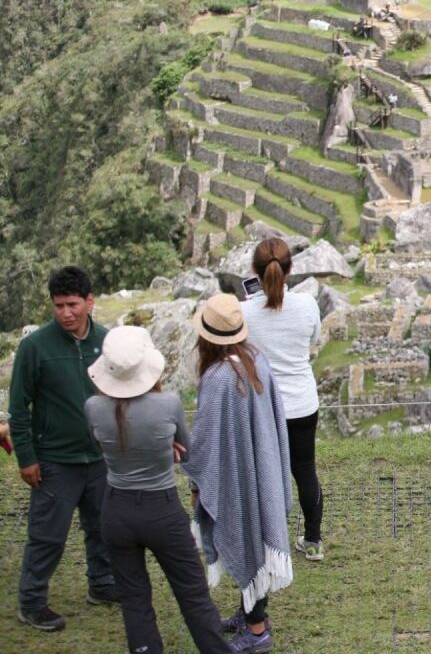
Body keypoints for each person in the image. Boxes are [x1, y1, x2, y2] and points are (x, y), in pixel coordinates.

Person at [85, 325, 229, 654]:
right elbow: (188, 453)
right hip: (162, 511)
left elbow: (104, 445)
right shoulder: (168, 404)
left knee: (134, 600)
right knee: (193, 594)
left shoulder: (93, 407)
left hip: (116, 510)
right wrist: (167, 450)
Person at [9, 266, 117, 631]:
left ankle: (102, 586)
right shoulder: (34, 346)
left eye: (72, 304)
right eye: (58, 306)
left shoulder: (107, 342)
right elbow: (18, 408)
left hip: (100, 459)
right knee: (47, 536)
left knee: (102, 528)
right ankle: (31, 602)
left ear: (89, 302)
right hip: (55, 461)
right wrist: (27, 458)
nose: (65, 313)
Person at [184, 294, 292, 654]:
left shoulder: (218, 378)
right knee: (256, 539)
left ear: (206, 337)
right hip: (260, 470)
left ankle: (257, 630)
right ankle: (250, 615)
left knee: (246, 538)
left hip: (237, 476)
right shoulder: (256, 359)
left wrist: (196, 479)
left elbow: (202, 444)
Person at [242, 238, 325, 562]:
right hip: (302, 402)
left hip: (263, 404)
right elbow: (314, 339)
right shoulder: (307, 305)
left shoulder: (244, 311)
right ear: (290, 269)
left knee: (264, 472)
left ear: (255, 271)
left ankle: (268, 542)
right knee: (305, 470)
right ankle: (313, 539)